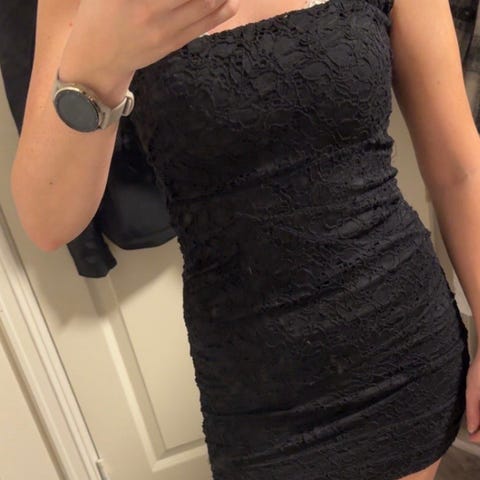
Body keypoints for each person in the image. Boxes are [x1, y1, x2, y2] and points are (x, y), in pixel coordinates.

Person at [9, 0, 480, 479]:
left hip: (402, 346)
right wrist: (97, 66)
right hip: (254, 388)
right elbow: (49, 223)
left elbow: (460, 170)